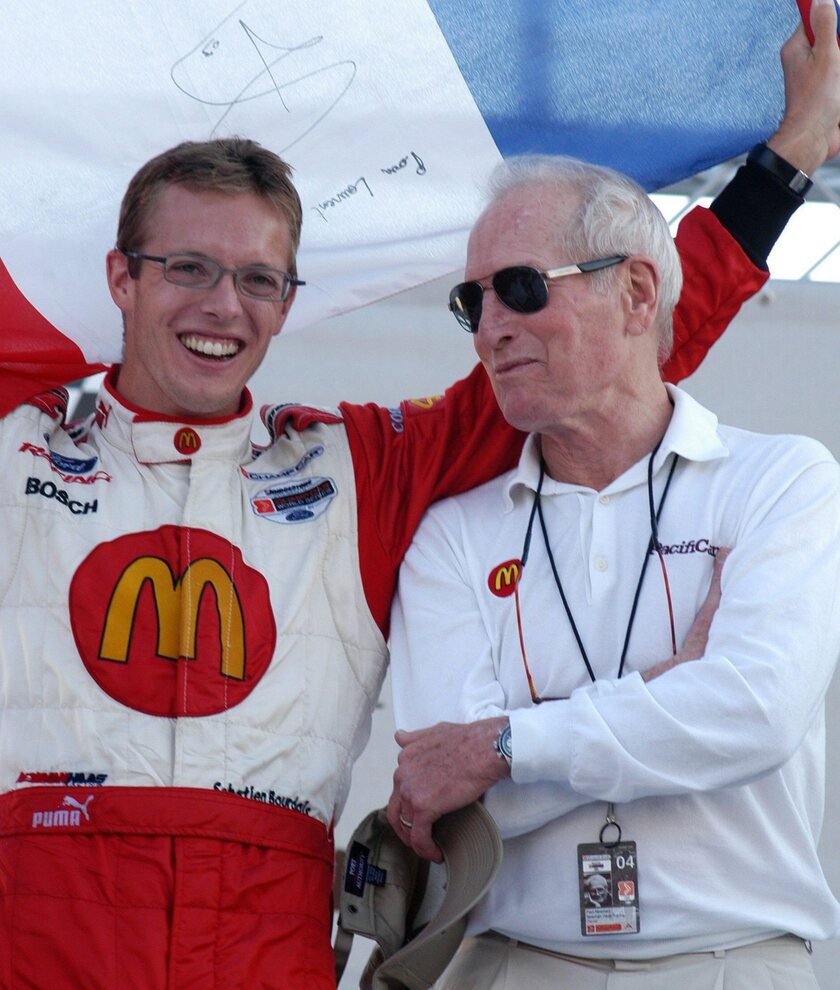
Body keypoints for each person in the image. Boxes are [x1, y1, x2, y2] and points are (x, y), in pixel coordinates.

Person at [0, 11, 835, 988]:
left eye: (259, 278)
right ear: (118, 279)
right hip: (39, 934)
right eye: (185, 268)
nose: (223, 305)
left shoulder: (357, 465)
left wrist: (787, 163)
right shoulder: (20, 443)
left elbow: (601, 356)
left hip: (264, 944)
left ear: (290, 300)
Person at [385, 10, 840, 989]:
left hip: (737, 962)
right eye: (473, 302)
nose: (490, 327)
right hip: (509, 961)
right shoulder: (451, 528)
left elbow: (754, 716)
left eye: (517, 287)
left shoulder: (786, 481)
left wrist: (510, 739)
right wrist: (676, 684)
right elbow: (450, 796)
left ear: (638, 297)